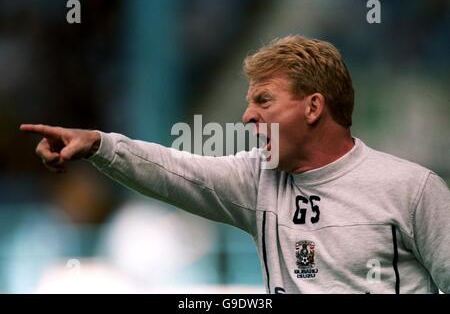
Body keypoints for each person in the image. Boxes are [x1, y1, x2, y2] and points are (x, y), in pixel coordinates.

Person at [21, 36, 449, 293]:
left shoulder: (412, 190)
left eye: (264, 100)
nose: (247, 116)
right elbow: (175, 169)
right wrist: (99, 144)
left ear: (313, 107)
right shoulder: (257, 180)